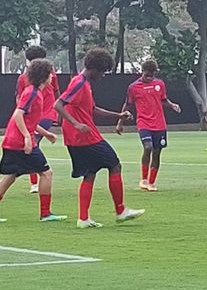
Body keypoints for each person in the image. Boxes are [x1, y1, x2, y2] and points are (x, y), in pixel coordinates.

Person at [54, 48, 145, 228]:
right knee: (114, 164)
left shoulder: (84, 83)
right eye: (102, 71)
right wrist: (76, 124)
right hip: (84, 137)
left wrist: (118, 115)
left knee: (90, 173)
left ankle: (83, 218)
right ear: (94, 68)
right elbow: (58, 104)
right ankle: (120, 211)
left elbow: (93, 109)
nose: (103, 75)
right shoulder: (79, 83)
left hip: (79, 137)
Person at [0, 59, 66, 223]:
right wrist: (27, 137)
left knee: (11, 175)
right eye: (50, 73)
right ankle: (45, 214)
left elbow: (30, 120)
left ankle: (46, 213)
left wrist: (46, 134)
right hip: (19, 142)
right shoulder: (33, 93)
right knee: (46, 173)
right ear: (44, 75)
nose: (52, 76)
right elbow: (18, 115)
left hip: (13, 140)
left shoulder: (34, 92)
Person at [116, 60, 181, 191]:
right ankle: (144, 180)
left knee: (157, 153)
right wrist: (120, 122)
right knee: (148, 147)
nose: (149, 76)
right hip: (144, 122)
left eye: (152, 74)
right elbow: (127, 105)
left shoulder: (159, 84)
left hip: (159, 124)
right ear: (142, 72)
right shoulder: (133, 87)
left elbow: (163, 100)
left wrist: (172, 105)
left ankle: (151, 183)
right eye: (147, 74)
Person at [15, 46, 61, 193]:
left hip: (46, 114)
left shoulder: (49, 75)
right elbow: (19, 99)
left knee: (31, 146)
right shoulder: (24, 78)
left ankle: (33, 181)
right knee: (31, 146)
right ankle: (32, 178)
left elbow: (56, 91)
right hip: (35, 116)